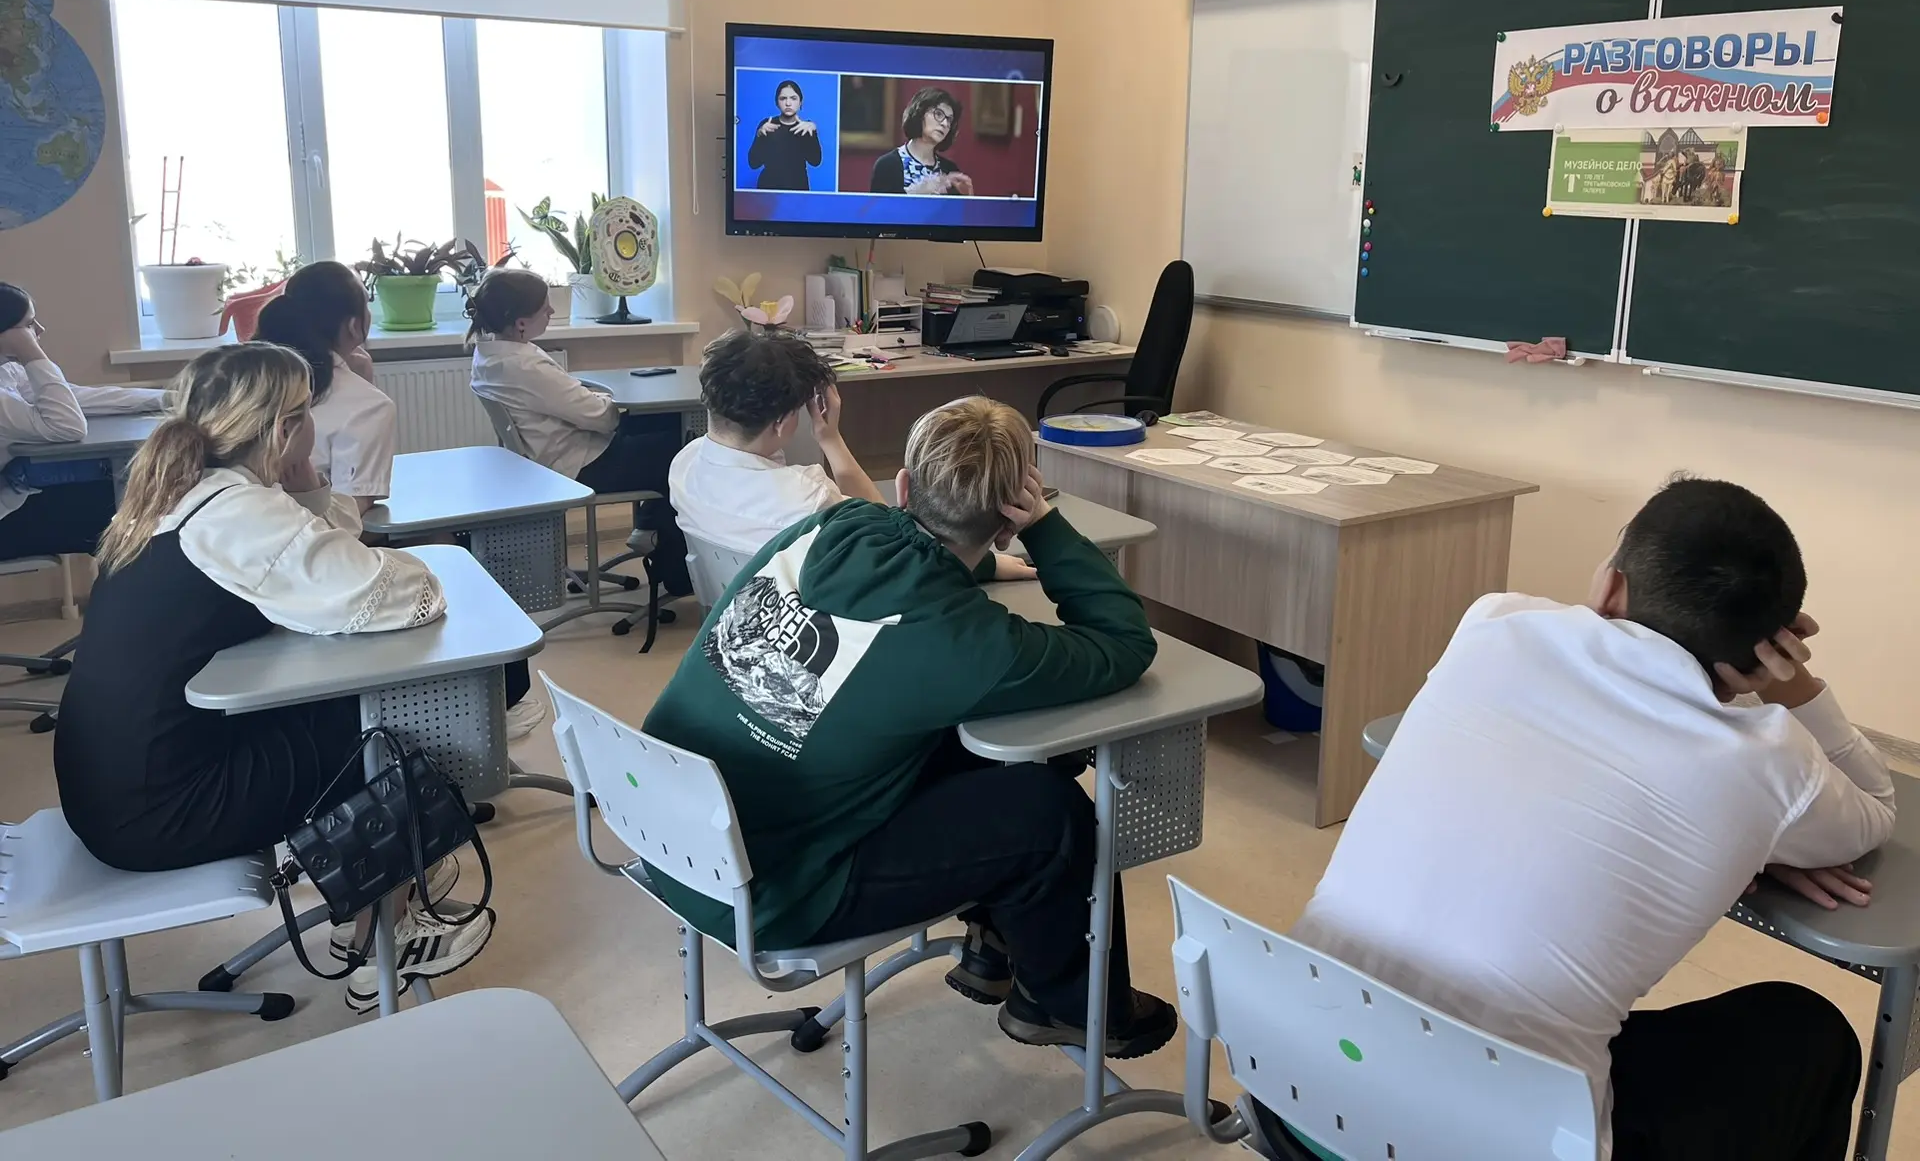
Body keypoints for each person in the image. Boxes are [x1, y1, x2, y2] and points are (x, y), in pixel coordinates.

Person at [1260, 478, 1892, 1161]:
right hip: (1492, 1140)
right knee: (1810, 1030)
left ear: (1612, 587)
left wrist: (1756, 828)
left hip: (1295, 1083)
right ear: (1763, 646)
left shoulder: (1496, 623)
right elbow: (1878, 807)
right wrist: (1786, 727)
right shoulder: (1772, 765)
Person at [644, 396, 1178, 1059]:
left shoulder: (836, 525)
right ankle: (1074, 1007)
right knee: (1050, 810)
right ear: (1006, 523)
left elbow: (915, 567)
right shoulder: (970, 645)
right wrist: (1044, 527)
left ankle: (994, 945)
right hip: (771, 891)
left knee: (986, 749)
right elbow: (1125, 642)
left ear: (902, 486)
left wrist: (980, 554)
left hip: (670, 825)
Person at [52, 344, 493, 1012]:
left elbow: (312, 550)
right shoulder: (238, 514)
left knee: (345, 712)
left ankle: (368, 906)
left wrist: (303, 480)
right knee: (394, 724)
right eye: (309, 411)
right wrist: (424, 564)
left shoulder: (179, 493)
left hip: (114, 791)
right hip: (164, 811)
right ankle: (386, 940)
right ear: (286, 427)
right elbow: (406, 597)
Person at [669, 328, 1034, 578]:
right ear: (781, 423)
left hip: (743, 623)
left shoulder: (683, 465)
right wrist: (830, 438)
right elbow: (898, 540)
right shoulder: (809, 498)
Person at [466, 269, 691, 601]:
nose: (552, 311)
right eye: (544, 308)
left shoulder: (490, 354)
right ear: (520, 322)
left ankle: (649, 527)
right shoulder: (524, 365)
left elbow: (573, 402)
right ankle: (672, 564)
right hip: (582, 465)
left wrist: (597, 400)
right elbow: (601, 418)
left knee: (664, 423)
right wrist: (606, 401)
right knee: (686, 448)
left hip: (555, 456)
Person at [0, 282, 164, 564]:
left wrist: (167, 399)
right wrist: (31, 353)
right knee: (123, 509)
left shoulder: (6, 370)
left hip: (11, 497)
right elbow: (67, 425)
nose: (39, 330)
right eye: (28, 325)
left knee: (129, 497)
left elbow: (74, 398)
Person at [254, 260, 396, 522]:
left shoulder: (246, 377)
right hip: (300, 534)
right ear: (353, 325)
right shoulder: (368, 405)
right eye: (367, 303)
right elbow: (349, 512)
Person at [868, 86, 975, 197]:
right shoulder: (887, 165)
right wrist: (917, 191)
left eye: (949, 119)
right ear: (920, 113)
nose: (945, 123)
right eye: (938, 114)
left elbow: (960, 208)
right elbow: (878, 208)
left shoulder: (950, 169)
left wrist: (968, 199)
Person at [746, 79, 823, 191]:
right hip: (768, 189)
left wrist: (813, 132)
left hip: (798, 189)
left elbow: (815, 162)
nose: (788, 103)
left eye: (793, 98)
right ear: (777, 102)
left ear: (800, 102)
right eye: (783, 98)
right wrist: (759, 136)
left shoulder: (806, 128)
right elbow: (753, 164)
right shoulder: (767, 125)